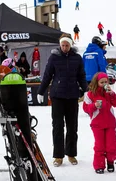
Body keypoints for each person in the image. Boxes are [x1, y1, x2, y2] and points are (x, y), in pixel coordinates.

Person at [37, 35, 88, 166]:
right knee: (58, 126)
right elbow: (47, 75)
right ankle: (58, 156)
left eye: (67, 45)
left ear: (71, 45)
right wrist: (41, 91)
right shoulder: (54, 57)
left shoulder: (77, 58)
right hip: (57, 96)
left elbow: (81, 75)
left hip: (72, 96)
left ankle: (71, 154)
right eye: (63, 45)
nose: (65, 47)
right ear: (60, 45)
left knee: (72, 126)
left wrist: (86, 90)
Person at [83, 72, 116, 173]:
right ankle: (99, 165)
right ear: (97, 82)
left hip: (110, 123)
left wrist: (112, 94)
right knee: (100, 145)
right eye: (102, 82)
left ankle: (110, 161)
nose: (104, 84)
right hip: (97, 124)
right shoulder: (90, 94)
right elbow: (86, 108)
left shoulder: (109, 93)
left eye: (106, 82)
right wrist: (94, 105)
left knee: (111, 144)